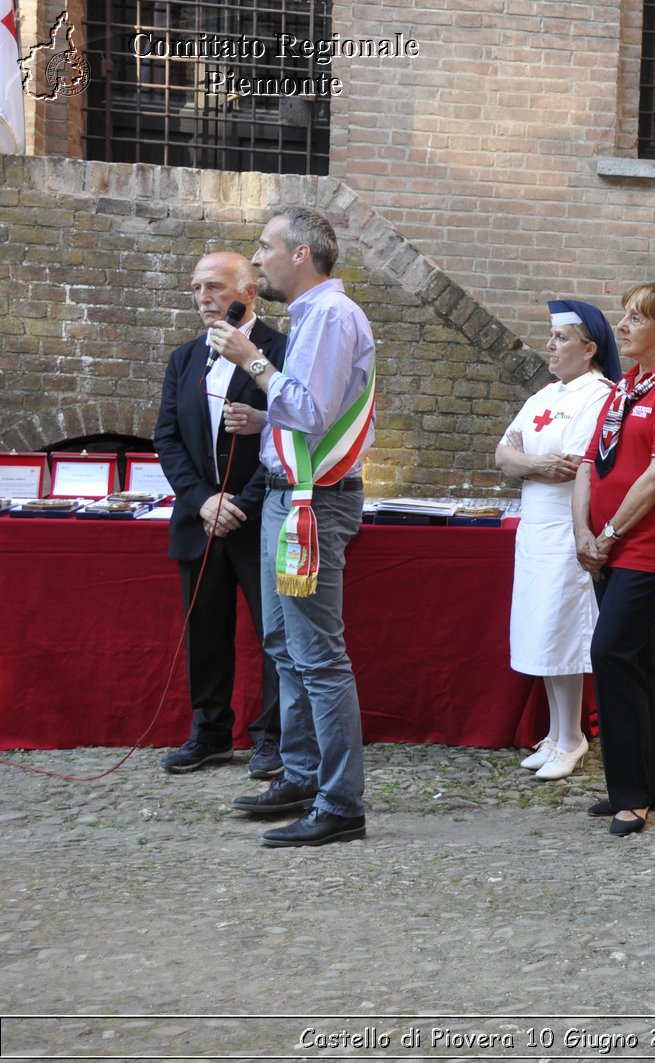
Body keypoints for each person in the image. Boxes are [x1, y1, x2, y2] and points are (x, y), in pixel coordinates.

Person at [213, 206, 378, 848]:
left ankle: (340, 803)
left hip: (314, 504)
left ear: (302, 254)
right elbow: (308, 412)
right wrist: (264, 423)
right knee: (285, 647)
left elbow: (309, 409)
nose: (256, 260)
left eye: (265, 247)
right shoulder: (315, 317)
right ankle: (305, 775)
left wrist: (252, 358)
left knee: (318, 657)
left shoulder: (331, 316)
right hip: (291, 499)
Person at [573, 282, 655, 837]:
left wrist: (606, 535)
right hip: (605, 541)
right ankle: (648, 783)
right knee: (636, 660)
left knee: (610, 652)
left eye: (636, 318)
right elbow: (588, 463)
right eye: (624, 316)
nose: (621, 327)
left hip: (643, 547)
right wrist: (583, 531)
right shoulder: (626, 384)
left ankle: (629, 794)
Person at [152, 251, 287, 779]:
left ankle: (273, 738)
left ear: (248, 290)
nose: (203, 298)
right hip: (200, 521)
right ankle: (209, 734)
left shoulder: (281, 350)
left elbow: (290, 433)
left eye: (214, 287)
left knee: (275, 637)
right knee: (205, 631)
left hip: (259, 520)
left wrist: (242, 502)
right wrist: (201, 501)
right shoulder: (184, 358)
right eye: (196, 288)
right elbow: (166, 437)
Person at [496, 300, 620, 780]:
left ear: (590, 348)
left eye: (562, 338)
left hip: (567, 527)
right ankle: (555, 731)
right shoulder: (543, 396)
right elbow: (504, 454)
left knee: (562, 631)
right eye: (551, 337)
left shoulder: (599, 395)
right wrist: (534, 465)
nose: (551, 345)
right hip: (534, 527)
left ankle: (572, 737)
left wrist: (531, 462)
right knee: (539, 631)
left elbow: (575, 464)